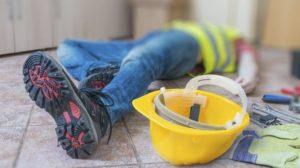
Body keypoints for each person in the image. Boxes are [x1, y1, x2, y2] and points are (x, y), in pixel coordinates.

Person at [23, 21, 258, 159]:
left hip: (187, 44)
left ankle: (101, 110)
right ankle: (104, 73)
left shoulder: (228, 36)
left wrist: (250, 72)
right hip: (150, 39)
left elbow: (247, 54)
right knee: (68, 46)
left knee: (142, 58)